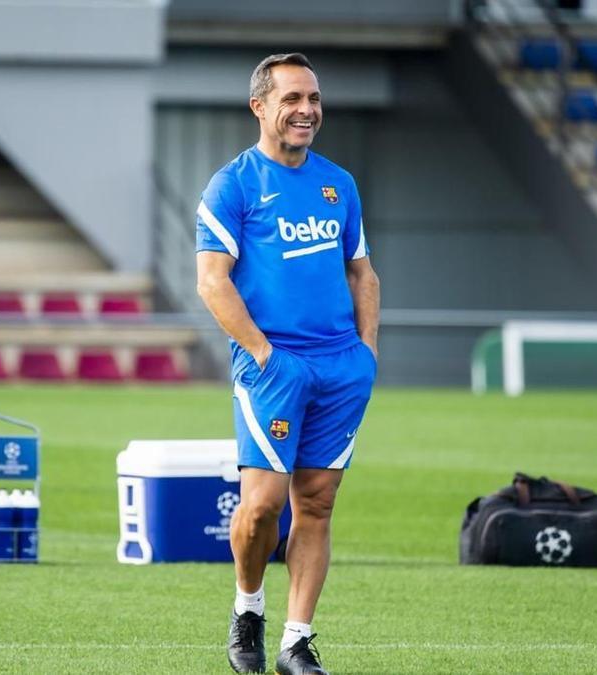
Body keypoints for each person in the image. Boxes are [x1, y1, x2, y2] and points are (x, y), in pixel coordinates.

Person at [195, 53, 380, 675]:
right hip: (273, 366)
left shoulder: (339, 184)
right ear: (260, 107)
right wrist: (264, 354)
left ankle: (296, 641)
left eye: (314, 99)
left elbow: (361, 270)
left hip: (340, 367)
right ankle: (248, 606)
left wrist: (367, 351)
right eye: (293, 99)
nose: (307, 111)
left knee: (318, 503)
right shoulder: (234, 184)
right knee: (261, 507)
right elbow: (211, 282)